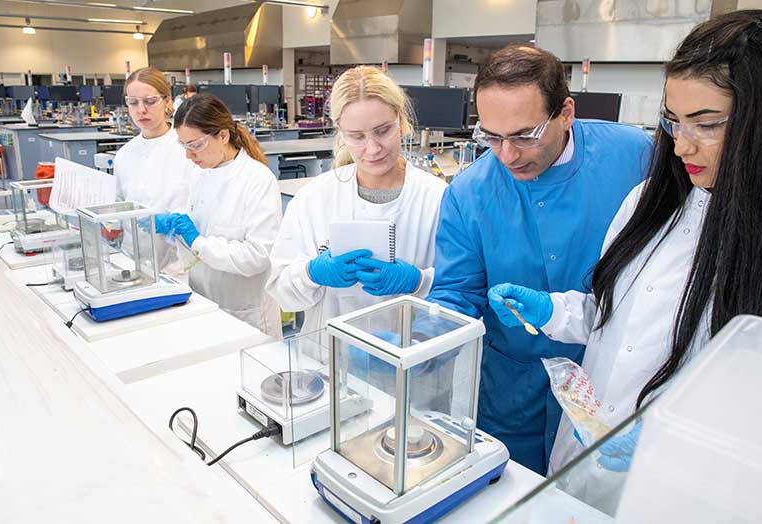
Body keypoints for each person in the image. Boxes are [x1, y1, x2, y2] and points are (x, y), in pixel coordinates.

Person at [487, 10, 762, 478]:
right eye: (673, 121)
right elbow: (617, 322)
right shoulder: (650, 202)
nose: (682, 146)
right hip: (585, 459)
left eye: (706, 124)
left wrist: (680, 433)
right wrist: (554, 312)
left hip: (689, 485)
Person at [426, 45, 653, 475]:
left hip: (608, 380)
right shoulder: (468, 192)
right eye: (491, 136)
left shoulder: (636, 156)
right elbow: (458, 292)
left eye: (525, 135)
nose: (506, 155)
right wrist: (421, 337)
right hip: (511, 386)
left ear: (566, 112)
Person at [266, 66, 447, 344]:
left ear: (401, 121)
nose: (372, 148)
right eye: (357, 137)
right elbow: (282, 293)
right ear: (341, 132)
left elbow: (464, 290)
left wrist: (419, 281)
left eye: (383, 131)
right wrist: (311, 273)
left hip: (412, 361)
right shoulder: (314, 198)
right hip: (327, 360)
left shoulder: (437, 198)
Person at [153, 93, 282, 338]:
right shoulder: (201, 173)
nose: (188, 156)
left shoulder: (257, 179)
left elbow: (257, 257)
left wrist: (197, 241)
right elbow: (201, 237)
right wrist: (176, 232)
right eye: (183, 146)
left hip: (246, 313)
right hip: (203, 301)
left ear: (223, 135)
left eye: (196, 145)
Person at [113, 67, 194, 274]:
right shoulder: (124, 154)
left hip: (180, 269)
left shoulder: (188, 149)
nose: (141, 110)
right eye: (133, 102)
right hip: (132, 265)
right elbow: (118, 209)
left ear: (167, 101)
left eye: (150, 101)